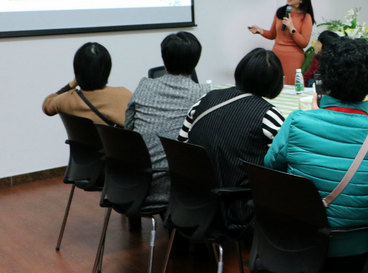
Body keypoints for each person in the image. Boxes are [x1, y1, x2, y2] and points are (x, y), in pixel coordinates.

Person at [264, 37, 368, 273]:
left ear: (323, 80)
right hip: (359, 253)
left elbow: (271, 168)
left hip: (297, 245)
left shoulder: (296, 122)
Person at [179, 48, 285, 228]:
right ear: (275, 82)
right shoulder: (268, 115)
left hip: (192, 200)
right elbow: (283, 163)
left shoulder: (206, 99)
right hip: (239, 207)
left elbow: (182, 144)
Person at [125, 32, 211, 209]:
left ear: (164, 60)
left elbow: (128, 129)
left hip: (133, 180)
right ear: (196, 62)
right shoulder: (202, 93)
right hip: (174, 183)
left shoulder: (144, 85)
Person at [43, 42, 131, 126]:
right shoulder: (125, 95)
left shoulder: (66, 100)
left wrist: (72, 84)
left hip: (83, 142)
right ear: (107, 69)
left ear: (77, 70)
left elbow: (47, 105)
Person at [248, 0, 315, 85]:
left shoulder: (306, 17)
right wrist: (260, 31)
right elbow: (273, 34)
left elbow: (304, 43)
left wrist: (292, 28)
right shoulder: (280, 12)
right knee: (275, 86)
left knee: (291, 89)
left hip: (294, 59)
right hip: (276, 56)